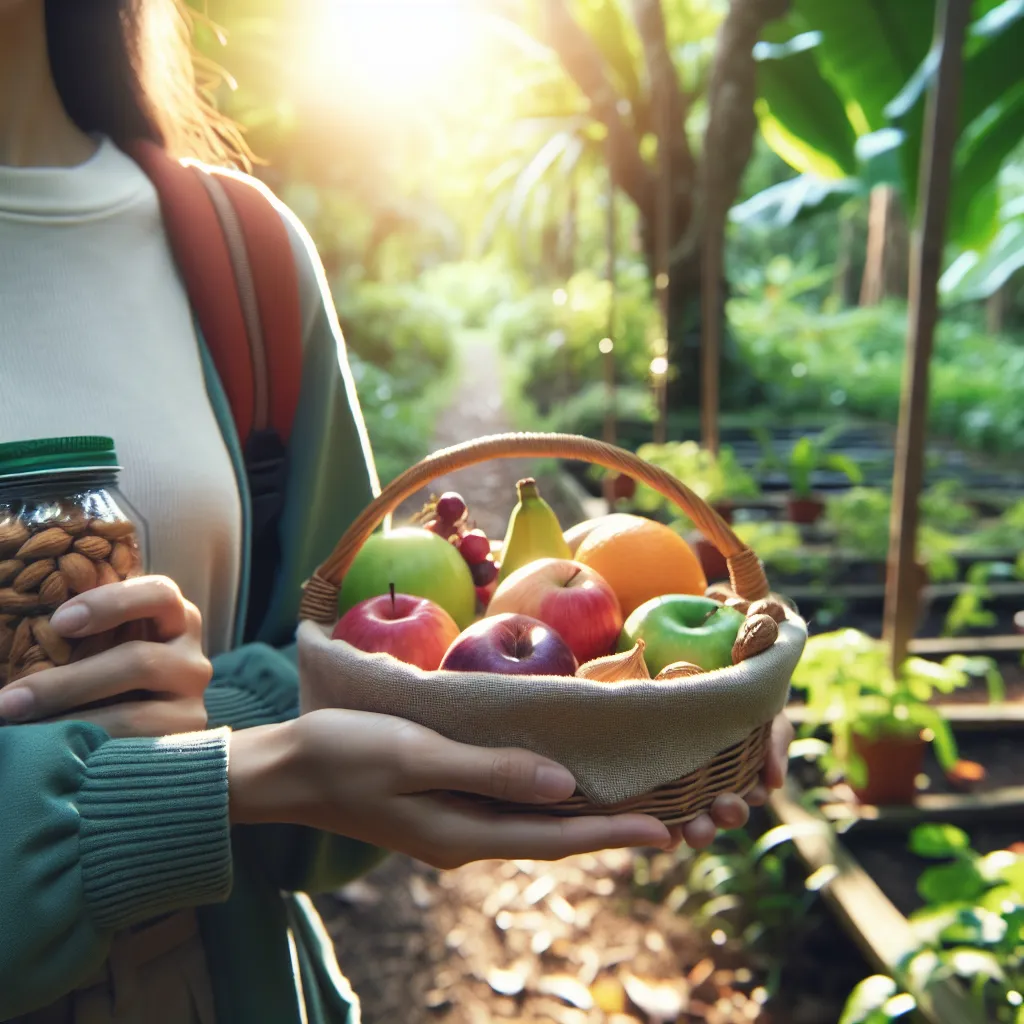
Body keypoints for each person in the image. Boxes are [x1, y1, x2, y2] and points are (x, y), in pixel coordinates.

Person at [0, 1, 795, 1021]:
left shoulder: (240, 262)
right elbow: (260, 760)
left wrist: (661, 712)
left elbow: (331, 705)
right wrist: (193, 782)